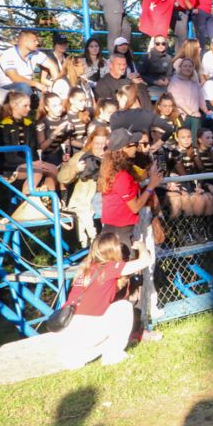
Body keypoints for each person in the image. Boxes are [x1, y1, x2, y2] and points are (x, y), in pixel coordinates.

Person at [52, 231, 154, 369]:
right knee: (123, 307)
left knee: (111, 310)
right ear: (113, 250)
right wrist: (142, 246)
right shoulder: (109, 268)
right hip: (84, 331)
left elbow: (105, 290)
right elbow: (146, 261)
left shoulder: (86, 268)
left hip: (67, 331)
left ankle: (78, 354)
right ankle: (113, 355)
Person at [99, 128, 163, 248]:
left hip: (117, 228)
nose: (137, 147)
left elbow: (136, 179)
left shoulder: (116, 169)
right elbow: (135, 207)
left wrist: (150, 173)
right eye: (134, 144)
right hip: (119, 232)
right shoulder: (121, 175)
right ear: (124, 148)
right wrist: (151, 186)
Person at [0, 30, 59, 97]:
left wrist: (56, 85)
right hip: (6, 88)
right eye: (34, 41)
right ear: (24, 41)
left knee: (47, 94)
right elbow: (15, 78)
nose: (37, 43)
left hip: (28, 86)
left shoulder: (36, 53)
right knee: (24, 87)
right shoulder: (9, 54)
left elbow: (52, 66)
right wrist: (37, 85)